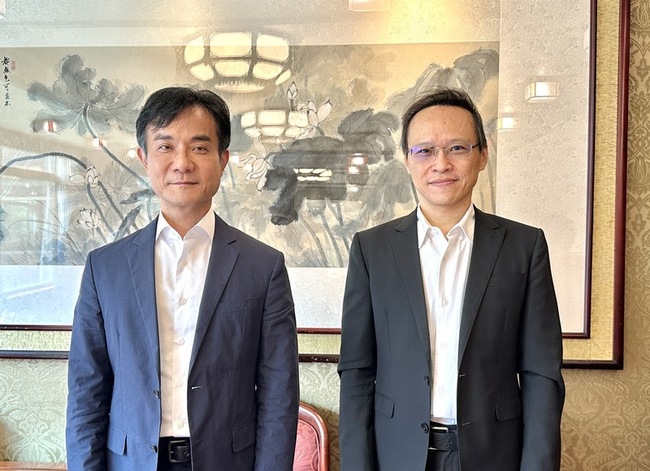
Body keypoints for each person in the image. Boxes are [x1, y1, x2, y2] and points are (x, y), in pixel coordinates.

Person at [66, 87, 299, 471]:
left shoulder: (263, 267)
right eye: (165, 146)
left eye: (199, 147)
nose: (182, 163)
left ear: (223, 160)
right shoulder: (104, 268)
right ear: (144, 158)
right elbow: (86, 391)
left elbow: (279, 394)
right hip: (131, 463)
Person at [338, 87, 565, 471]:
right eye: (424, 150)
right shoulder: (371, 250)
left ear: (483, 155)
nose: (440, 164)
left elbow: (541, 373)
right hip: (397, 454)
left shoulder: (524, 246)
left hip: (494, 454)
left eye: (457, 148)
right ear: (407, 160)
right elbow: (357, 371)